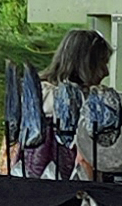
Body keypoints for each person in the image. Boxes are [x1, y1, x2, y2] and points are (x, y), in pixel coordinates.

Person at [34, 28, 111, 179]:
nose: (106, 72)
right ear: (86, 65)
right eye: (102, 63)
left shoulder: (37, 94)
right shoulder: (47, 97)